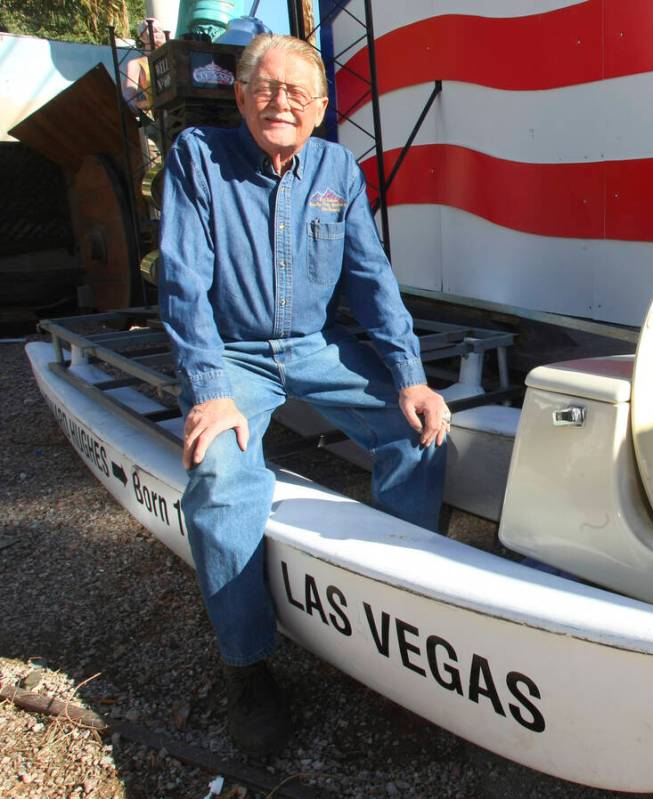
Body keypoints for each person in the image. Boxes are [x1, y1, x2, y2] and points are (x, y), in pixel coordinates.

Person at [158, 34, 449, 756]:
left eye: (297, 92)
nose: (280, 100)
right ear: (240, 95)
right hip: (233, 355)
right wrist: (209, 389)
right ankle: (248, 666)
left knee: (417, 435)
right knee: (223, 481)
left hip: (315, 348)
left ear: (321, 108)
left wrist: (409, 374)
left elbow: (371, 279)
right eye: (265, 86)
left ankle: (403, 615)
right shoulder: (199, 156)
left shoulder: (335, 168)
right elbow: (182, 285)